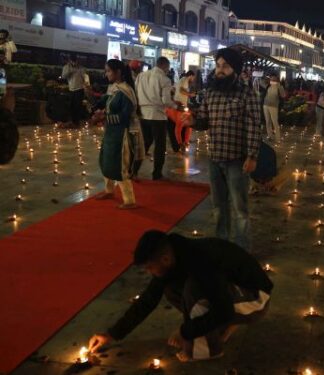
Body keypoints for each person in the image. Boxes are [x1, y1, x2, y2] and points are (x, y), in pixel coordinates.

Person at [87, 230, 273, 362]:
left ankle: (209, 351)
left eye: (150, 267)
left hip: (257, 298)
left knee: (194, 290)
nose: (150, 272)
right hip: (230, 294)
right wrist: (112, 334)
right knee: (173, 290)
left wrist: (185, 332)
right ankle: (219, 328)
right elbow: (148, 300)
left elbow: (223, 309)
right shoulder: (176, 255)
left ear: (165, 259)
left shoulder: (200, 262)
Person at [186, 48, 262, 251]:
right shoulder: (210, 93)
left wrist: (252, 156)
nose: (220, 70)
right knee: (219, 206)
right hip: (214, 158)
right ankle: (222, 246)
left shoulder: (247, 94)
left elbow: (254, 126)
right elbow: (203, 122)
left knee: (239, 208)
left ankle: (241, 249)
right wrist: (193, 121)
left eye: (225, 66)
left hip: (237, 160)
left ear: (235, 70)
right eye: (218, 66)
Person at [91, 59, 144, 209]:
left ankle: (129, 200)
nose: (106, 74)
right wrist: (91, 99)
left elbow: (125, 116)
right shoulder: (114, 88)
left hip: (122, 134)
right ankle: (109, 190)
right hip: (111, 133)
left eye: (108, 70)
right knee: (106, 160)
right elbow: (103, 102)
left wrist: (103, 117)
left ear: (118, 72)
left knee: (120, 164)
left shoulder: (126, 91)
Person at [134, 57, 174, 180]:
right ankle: (157, 173)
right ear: (165, 66)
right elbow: (166, 101)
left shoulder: (141, 76)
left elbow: (136, 93)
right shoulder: (165, 79)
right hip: (158, 116)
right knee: (159, 146)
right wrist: (176, 105)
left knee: (144, 144)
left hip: (143, 115)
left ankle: (134, 170)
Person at [62, 55, 87, 128]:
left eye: (75, 61)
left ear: (77, 61)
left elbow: (85, 78)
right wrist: (70, 70)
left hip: (79, 89)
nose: (74, 62)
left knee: (77, 106)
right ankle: (71, 122)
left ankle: (76, 122)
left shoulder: (82, 68)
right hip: (71, 89)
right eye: (72, 61)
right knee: (71, 106)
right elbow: (63, 76)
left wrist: (87, 87)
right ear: (70, 60)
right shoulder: (66, 67)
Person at [263, 75, 286, 142]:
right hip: (265, 104)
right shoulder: (268, 85)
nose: (271, 80)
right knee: (267, 121)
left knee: (274, 121)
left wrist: (279, 86)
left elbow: (283, 95)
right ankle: (270, 136)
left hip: (274, 106)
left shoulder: (279, 86)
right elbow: (261, 84)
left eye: (273, 79)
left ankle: (278, 137)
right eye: (271, 79)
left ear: (277, 79)